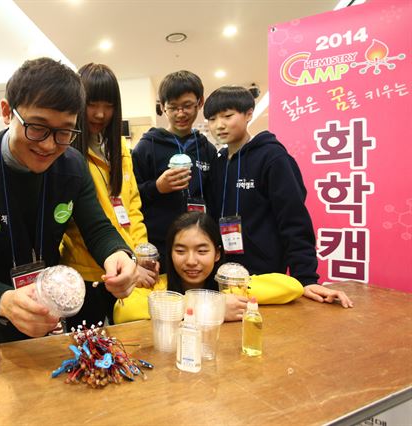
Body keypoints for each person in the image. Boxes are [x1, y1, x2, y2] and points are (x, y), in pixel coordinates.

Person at [0, 58, 139, 344]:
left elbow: (97, 227)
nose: (49, 145)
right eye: (37, 127)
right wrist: (2, 301)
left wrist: (120, 255)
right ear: (7, 112)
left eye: (65, 132)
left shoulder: (73, 166)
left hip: (48, 314)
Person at [203, 86, 353, 308]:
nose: (219, 125)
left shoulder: (273, 158)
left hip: (266, 272)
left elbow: (294, 219)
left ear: (249, 114)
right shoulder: (218, 162)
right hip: (223, 272)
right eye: (212, 119)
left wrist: (306, 278)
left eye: (227, 116)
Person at [60, 63, 153, 326]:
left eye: (109, 105)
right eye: (92, 104)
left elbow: (132, 205)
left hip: (127, 267)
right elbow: (76, 222)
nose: (100, 113)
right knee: (87, 352)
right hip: (85, 274)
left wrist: (139, 256)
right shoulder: (66, 153)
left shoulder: (119, 148)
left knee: (130, 345)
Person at [114, 212, 305, 324]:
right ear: (170, 254)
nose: (190, 261)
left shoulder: (230, 287)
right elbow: (123, 312)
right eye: (180, 251)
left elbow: (292, 287)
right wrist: (210, 308)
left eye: (202, 251)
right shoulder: (157, 288)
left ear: (217, 254)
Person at [131, 70, 217, 272]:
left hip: (197, 245)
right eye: (173, 107)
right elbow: (130, 198)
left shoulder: (207, 149)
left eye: (187, 106)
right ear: (162, 107)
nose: (180, 113)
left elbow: (214, 196)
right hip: (158, 244)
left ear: (200, 102)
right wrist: (157, 187)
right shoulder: (146, 147)